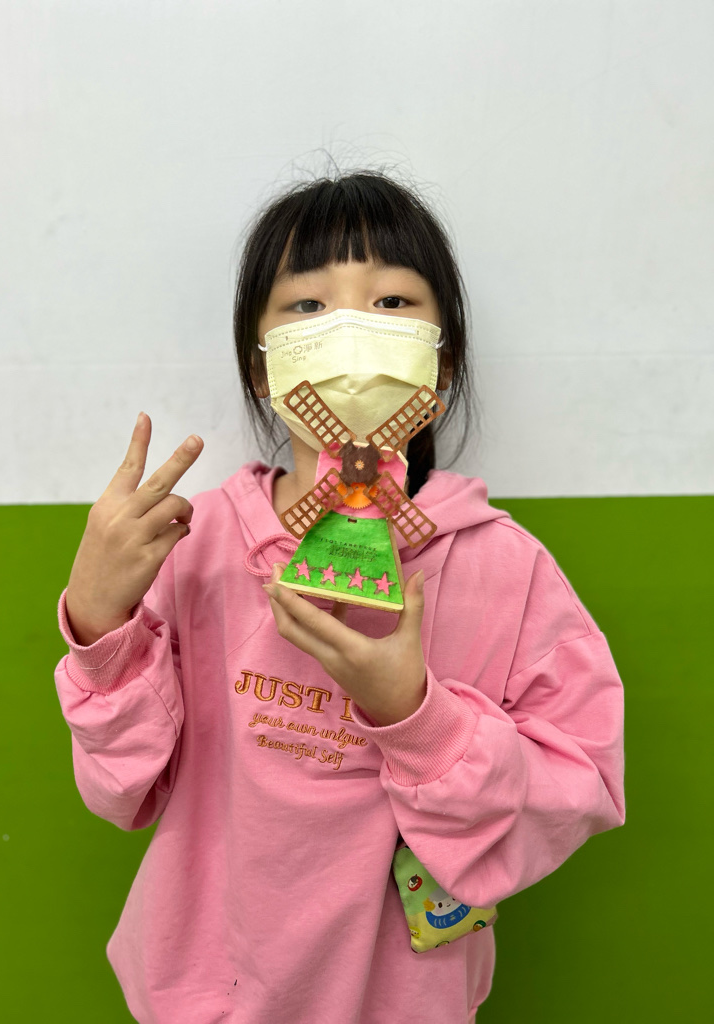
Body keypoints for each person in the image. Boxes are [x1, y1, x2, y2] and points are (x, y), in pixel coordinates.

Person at [54, 171, 626, 1024]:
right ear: (261, 367)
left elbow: (580, 789)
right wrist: (100, 624)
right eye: (307, 306)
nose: (352, 329)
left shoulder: (505, 568)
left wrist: (416, 717)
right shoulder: (195, 545)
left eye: (392, 301)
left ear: (443, 359)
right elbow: (120, 791)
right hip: (204, 994)